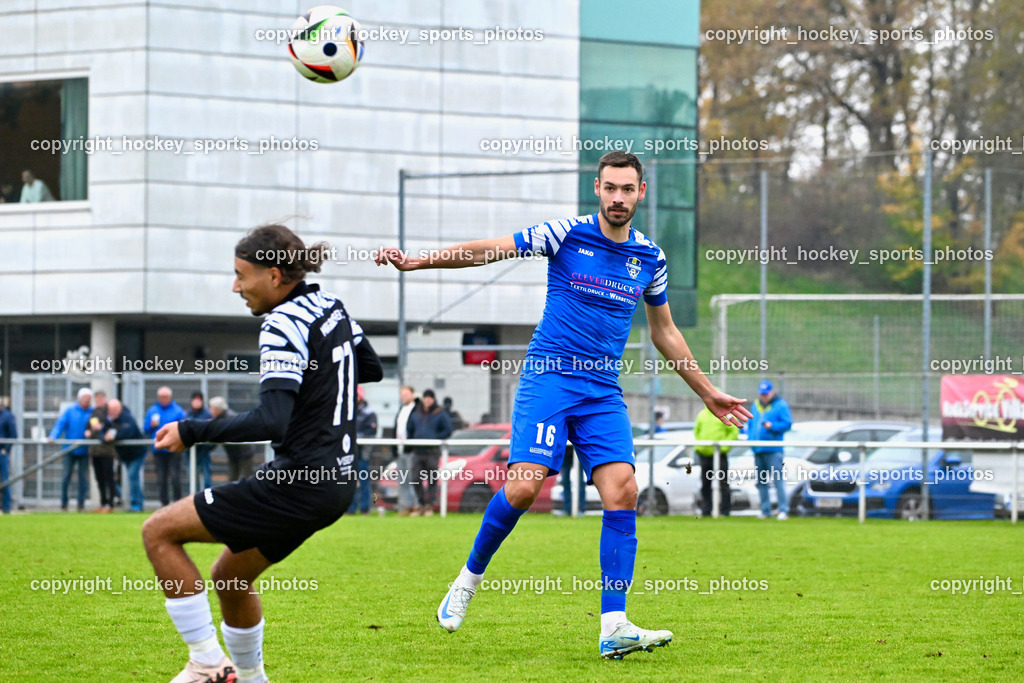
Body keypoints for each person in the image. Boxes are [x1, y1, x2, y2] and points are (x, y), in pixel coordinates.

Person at [376, 151, 751, 658]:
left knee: (623, 491)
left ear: (641, 194)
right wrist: (422, 260)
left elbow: (665, 332)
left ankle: (614, 625)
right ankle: (468, 579)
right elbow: (493, 249)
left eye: (628, 189)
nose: (618, 198)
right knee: (525, 486)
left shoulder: (651, 258)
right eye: (610, 188)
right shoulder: (565, 234)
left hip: (602, 390)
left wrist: (708, 392)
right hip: (549, 378)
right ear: (597, 188)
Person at [141, 224, 382, 683]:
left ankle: (207, 664)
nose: (236, 286)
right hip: (336, 484)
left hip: (298, 481)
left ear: (274, 275)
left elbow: (271, 420)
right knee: (231, 578)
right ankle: (250, 679)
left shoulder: (281, 324)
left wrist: (190, 430)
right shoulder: (330, 306)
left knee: (159, 533)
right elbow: (368, 367)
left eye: (240, 275)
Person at [748, 380, 793, 520]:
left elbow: (787, 424)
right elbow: (750, 425)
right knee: (762, 482)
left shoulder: (781, 405)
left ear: (772, 392)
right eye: (762, 394)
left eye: (766, 394)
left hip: (773, 450)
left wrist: (772, 426)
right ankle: (765, 510)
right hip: (758, 449)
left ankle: (783, 510)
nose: (764, 397)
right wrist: (749, 439)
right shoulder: (755, 406)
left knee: (777, 480)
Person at [406, 389, 452, 516]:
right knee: (415, 479)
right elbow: (409, 429)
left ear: (433, 399)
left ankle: (429, 506)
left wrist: (434, 438)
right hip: (418, 451)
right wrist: (411, 440)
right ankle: (421, 504)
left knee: (432, 479)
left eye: (430, 398)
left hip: (432, 451)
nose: (427, 400)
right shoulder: (416, 413)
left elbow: (447, 430)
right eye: (425, 398)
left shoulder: (440, 413)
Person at [49, 387, 93, 512]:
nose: (87, 401)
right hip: (69, 449)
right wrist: (53, 436)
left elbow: (97, 426)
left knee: (83, 478)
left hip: (84, 450)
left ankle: (81, 504)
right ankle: (64, 503)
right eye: (85, 398)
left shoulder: (92, 412)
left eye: (89, 399)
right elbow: (60, 424)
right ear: (79, 399)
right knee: (66, 476)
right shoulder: (70, 411)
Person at [694, 402, 740, 518]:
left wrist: (724, 447)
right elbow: (696, 432)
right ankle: (706, 510)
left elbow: (734, 432)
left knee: (723, 483)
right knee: (705, 484)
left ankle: (725, 511)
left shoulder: (725, 414)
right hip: (705, 454)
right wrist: (699, 447)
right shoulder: (702, 415)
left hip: (719, 454)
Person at [145, 387, 188, 507]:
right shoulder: (152, 410)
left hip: (175, 449)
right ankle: (164, 504)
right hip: (158, 450)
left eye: (165, 397)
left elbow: (184, 428)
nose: (163, 399)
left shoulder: (178, 411)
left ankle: (177, 503)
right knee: (161, 478)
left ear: (170, 397)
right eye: (161, 397)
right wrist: (151, 425)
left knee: (175, 477)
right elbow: (146, 429)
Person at [106, 399, 146, 511]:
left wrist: (113, 436)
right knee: (131, 477)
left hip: (137, 453)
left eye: (115, 409)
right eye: (110, 409)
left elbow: (128, 432)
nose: (112, 411)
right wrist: (104, 436)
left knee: (133, 476)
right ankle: (136, 502)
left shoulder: (127, 417)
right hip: (125, 455)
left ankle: (137, 505)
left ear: (120, 408)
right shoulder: (109, 419)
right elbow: (102, 431)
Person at [209, 397, 259, 481]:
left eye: (212, 408)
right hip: (233, 454)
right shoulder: (220, 418)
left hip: (244, 453)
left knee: (245, 479)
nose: (210, 411)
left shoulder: (229, 417)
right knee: (232, 479)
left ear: (218, 409)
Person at [84, 391, 117, 512]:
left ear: (105, 399)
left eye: (101, 399)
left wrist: (102, 428)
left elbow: (113, 426)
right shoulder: (93, 412)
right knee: (99, 478)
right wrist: (88, 432)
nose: (99, 401)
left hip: (107, 451)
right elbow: (89, 428)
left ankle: (111, 504)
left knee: (109, 477)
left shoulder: (109, 411)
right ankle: (103, 503)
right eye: (97, 399)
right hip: (95, 451)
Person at [348, 387, 378, 515]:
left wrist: (356, 437)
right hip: (349, 454)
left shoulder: (369, 413)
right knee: (349, 482)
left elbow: (371, 432)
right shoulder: (347, 410)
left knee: (364, 481)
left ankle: (365, 508)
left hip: (362, 454)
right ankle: (350, 508)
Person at [393, 385, 419, 516]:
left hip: (411, 451)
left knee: (412, 479)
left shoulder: (416, 410)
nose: (403, 397)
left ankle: (415, 506)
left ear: (412, 394)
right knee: (402, 480)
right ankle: (405, 507)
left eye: (406, 394)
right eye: (402, 394)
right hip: (400, 450)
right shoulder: (401, 410)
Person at [186, 392, 215, 491]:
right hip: (190, 451)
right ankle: (193, 500)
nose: (196, 402)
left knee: (206, 478)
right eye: (195, 400)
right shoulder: (188, 414)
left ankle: (209, 501)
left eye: (199, 400)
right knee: (192, 478)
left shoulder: (207, 415)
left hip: (203, 451)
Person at [0, 397, 17, 514]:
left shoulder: (8, 416)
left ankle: (6, 508)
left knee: (5, 480)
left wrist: (5, 450)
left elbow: (13, 435)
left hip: (2, 454)